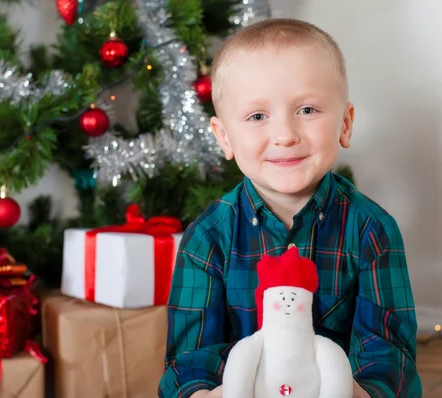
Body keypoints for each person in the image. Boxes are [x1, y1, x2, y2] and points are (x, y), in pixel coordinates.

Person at [158, 18, 422, 398]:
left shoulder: (372, 230)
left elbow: (389, 357)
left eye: (308, 110)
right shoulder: (207, 238)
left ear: (345, 124)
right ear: (225, 137)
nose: (285, 135)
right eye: (258, 116)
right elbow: (189, 362)